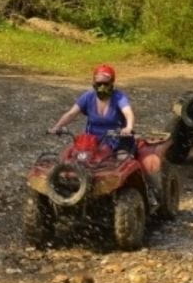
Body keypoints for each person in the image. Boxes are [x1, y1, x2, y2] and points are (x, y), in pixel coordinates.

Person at [48, 64, 164, 197]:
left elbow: (128, 113)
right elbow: (71, 114)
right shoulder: (88, 97)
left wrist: (128, 127)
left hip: (119, 139)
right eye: (99, 83)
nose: (102, 87)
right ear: (93, 83)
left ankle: (148, 193)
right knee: (69, 158)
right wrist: (57, 127)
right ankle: (67, 190)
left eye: (106, 83)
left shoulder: (119, 98)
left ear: (112, 83)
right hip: (93, 141)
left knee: (122, 163)